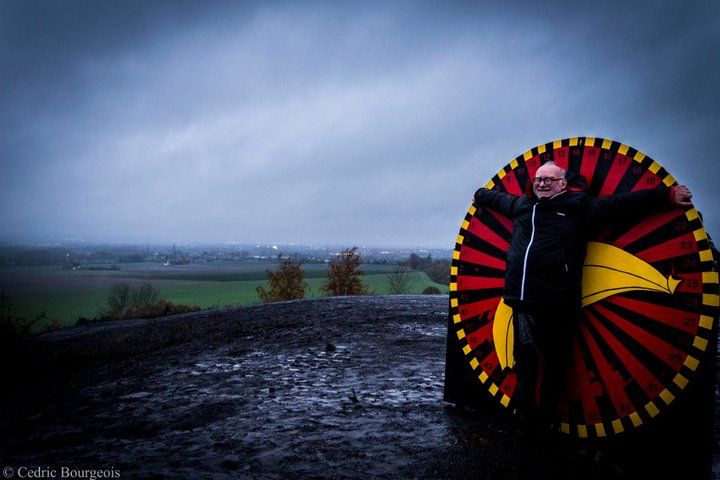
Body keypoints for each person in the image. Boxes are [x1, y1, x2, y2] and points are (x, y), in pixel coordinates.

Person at [472, 161, 693, 438]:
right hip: (521, 301)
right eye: (538, 179)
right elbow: (498, 199)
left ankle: (544, 422)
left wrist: (666, 196)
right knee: (525, 362)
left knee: (553, 364)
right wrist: (480, 194)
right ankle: (522, 417)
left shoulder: (578, 206)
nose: (541, 184)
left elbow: (620, 205)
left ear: (563, 184)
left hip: (555, 303)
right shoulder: (523, 206)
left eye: (549, 180)